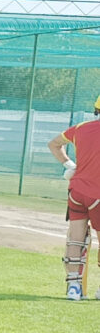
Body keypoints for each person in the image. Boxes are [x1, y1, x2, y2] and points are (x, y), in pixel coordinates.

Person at [49, 93, 100, 301]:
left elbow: (53, 144)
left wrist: (69, 164)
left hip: (77, 192)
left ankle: (73, 288)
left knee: (75, 238)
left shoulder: (81, 128)